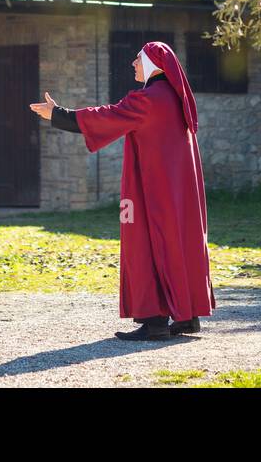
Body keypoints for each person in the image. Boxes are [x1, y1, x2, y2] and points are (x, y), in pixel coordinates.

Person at [30, 41, 216, 340]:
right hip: (179, 194)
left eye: (137, 59)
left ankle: (155, 321)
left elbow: (108, 116)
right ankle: (186, 316)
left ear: (153, 65)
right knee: (180, 243)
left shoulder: (150, 99)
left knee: (147, 244)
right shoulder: (174, 97)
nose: (132, 63)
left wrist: (59, 115)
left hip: (153, 193)